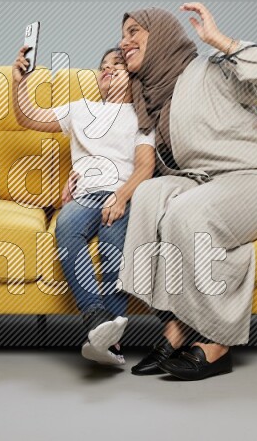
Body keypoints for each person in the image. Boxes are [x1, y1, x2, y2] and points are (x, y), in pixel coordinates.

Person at [117, 3, 257, 380]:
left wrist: (222, 42)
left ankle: (217, 342)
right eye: (122, 35)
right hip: (208, 182)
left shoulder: (211, 69)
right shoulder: (150, 98)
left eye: (134, 32)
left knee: (188, 215)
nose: (124, 42)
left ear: (161, 36)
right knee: (148, 198)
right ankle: (174, 325)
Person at [11, 47, 155, 366]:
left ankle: (111, 343)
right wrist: (18, 82)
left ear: (133, 74)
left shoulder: (142, 117)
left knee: (112, 239)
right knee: (66, 225)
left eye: (117, 64)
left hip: (125, 193)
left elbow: (145, 166)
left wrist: (121, 197)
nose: (107, 69)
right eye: (103, 66)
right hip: (86, 195)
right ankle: (95, 317)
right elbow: (27, 117)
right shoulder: (80, 109)